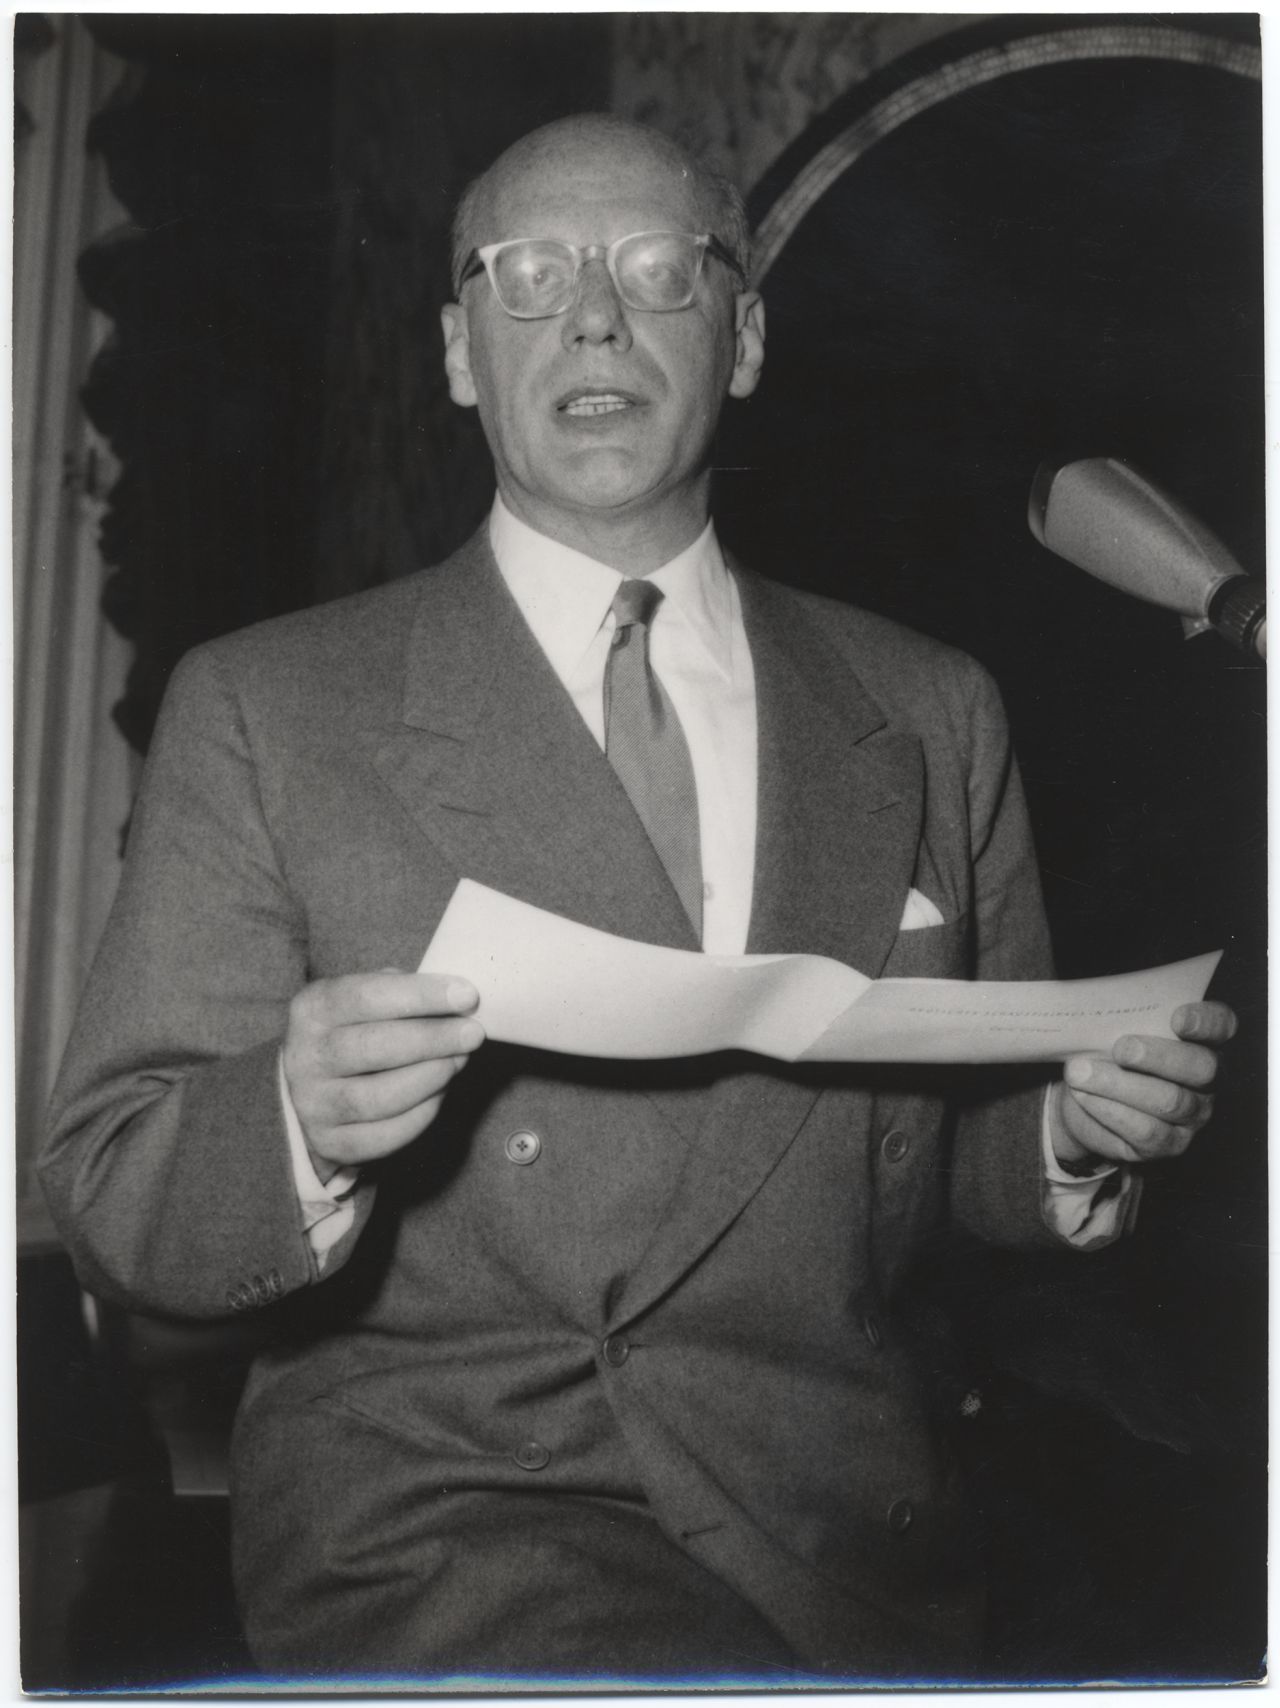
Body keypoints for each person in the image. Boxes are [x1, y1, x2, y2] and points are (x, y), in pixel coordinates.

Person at [41, 114, 1235, 1684]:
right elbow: (116, 1181)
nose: (592, 317)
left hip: (852, 1539)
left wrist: (1074, 1135)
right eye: (528, 276)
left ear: (741, 339)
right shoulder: (272, 709)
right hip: (446, 1532)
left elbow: (949, 1168)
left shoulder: (932, 709)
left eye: (657, 270)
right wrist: (293, 1120)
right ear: (461, 354)